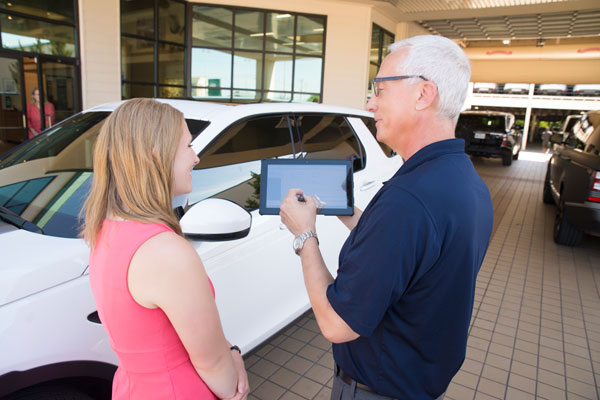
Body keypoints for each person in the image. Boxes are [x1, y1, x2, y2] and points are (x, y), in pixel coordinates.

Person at [280, 35, 493, 400]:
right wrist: (345, 209)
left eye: (379, 90)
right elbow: (409, 251)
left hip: (376, 390)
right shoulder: (463, 181)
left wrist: (305, 236)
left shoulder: (408, 200)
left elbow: (337, 323)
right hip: (419, 381)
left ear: (423, 94)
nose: (369, 103)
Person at [82, 98, 249, 400]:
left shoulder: (105, 227)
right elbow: (212, 363)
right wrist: (233, 383)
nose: (196, 158)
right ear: (157, 155)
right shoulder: (164, 250)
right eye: (188, 146)